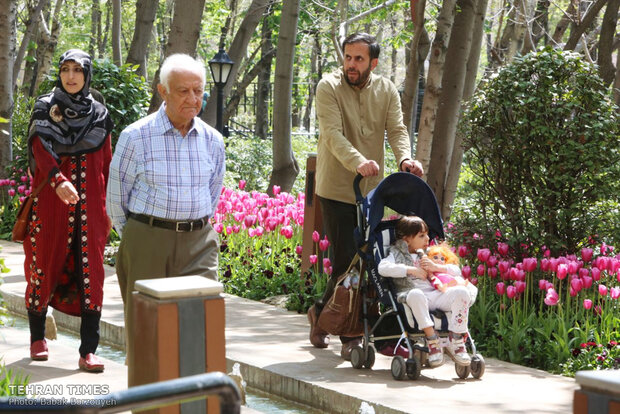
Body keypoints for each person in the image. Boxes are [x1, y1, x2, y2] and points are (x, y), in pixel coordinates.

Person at [106, 53, 225, 376]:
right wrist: (138, 236)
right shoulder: (136, 136)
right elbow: (116, 198)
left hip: (199, 243)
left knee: (200, 327)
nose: (193, 99)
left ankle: (194, 406)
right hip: (147, 240)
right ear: (163, 91)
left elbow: (213, 192)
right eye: (183, 91)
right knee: (147, 335)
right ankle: (146, 409)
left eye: (198, 91)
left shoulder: (213, 141)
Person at [307, 32, 424, 360]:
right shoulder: (328, 86)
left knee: (367, 261)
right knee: (346, 262)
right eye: (347, 57)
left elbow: (397, 130)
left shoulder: (386, 89)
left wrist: (404, 159)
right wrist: (358, 161)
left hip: (372, 192)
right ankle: (349, 334)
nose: (351, 65)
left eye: (359, 59)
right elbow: (331, 134)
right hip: (336, 188)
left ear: (373, 62)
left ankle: (320, 313)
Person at [23, 49, 114, 372]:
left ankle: (88, 350)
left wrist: (110, 206)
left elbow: (106, 162)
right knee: (44, 262)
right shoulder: (46, 109)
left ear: (87, 75)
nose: (71, 76)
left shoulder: (100, 114)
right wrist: (56, 180)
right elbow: (40, 148)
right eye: (66, 69)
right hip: (52, 202)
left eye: (78, 70)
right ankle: (37, 338)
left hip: (92, 207)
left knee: (93, 273)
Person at [377, 216, 474, 367]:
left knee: (462, 292)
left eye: (427, 234)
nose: (427, 238)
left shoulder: (431, 253)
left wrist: (437, 267)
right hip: (414, 295)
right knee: (416, 294)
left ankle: (456, 339)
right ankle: (432, 340)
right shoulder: (396, 254)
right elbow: (382, 268)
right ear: (407, 239)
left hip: (436, 293)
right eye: (421, 235)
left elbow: (456, 270)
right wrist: (411, 270)